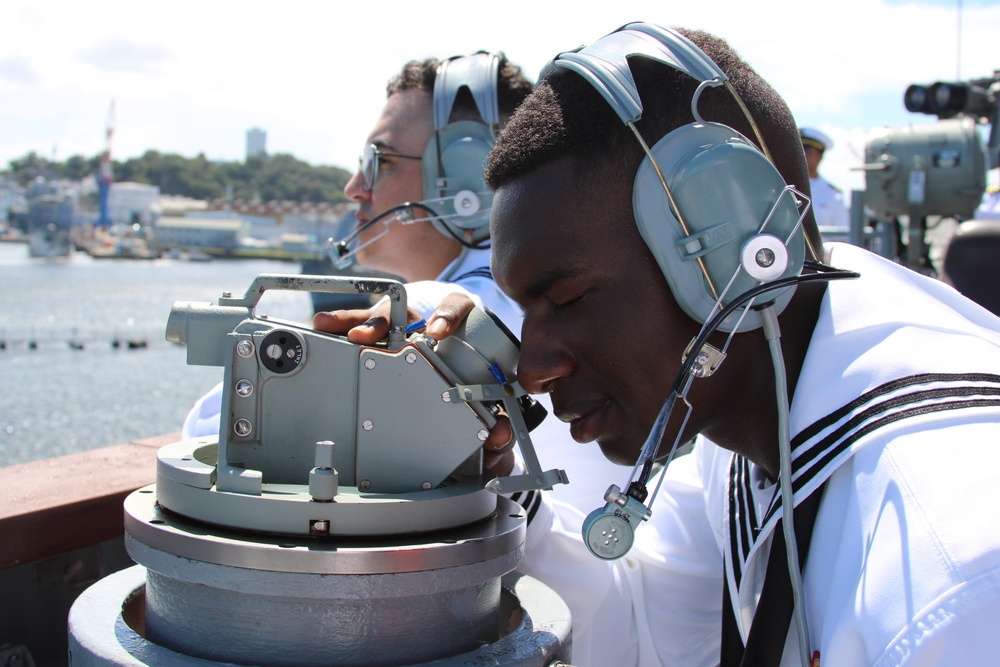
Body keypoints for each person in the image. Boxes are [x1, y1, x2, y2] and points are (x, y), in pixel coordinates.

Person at [412, 22, 1000, 666]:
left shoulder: (958, 573)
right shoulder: (753, 433)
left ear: (737, 254)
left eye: (570, 299)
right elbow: (648, 634)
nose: (536, 367)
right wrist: (501, 483)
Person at [182, 53, 623, 522]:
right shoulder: (550, 304)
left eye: (379, 161)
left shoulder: (495, 310)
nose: (355, 186)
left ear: (466, 174)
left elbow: (207, 431)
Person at [800, 126, 850, 233]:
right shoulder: (781, 185)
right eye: (799, 151)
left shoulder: (833, 195)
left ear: (820, 157)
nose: (802, 156)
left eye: (808, 152)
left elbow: (843, 236)